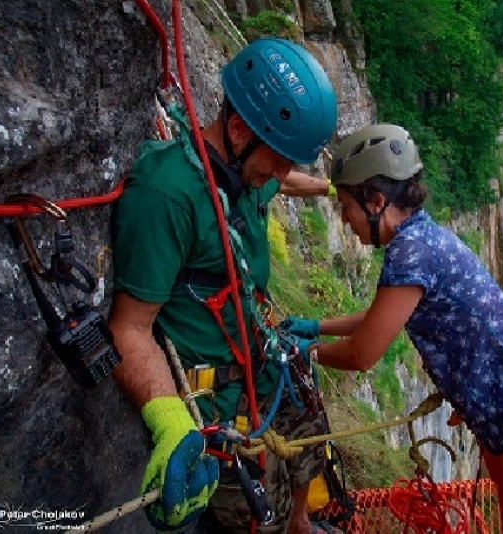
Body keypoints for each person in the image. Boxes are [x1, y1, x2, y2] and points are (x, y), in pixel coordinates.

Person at [280, 123, 503, 533]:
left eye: (346, 207)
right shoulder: (421, 238)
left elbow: (362, 354)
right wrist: (315, 326)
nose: (344, 220)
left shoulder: (411, 254)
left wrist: (301, 351)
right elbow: (384, 317)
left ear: (376, 201)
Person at [109, 37, 339, 534]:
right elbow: (128, 329)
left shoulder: (245, 173)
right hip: (218, 401)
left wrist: (331, 188)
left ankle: (302, 524)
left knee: (310, 447)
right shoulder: (168, 195)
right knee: (260, 518)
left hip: (262, 367)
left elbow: (281, 181)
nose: (282, 174)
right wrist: (170, 420)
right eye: (279, 159)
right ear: (237, 130)